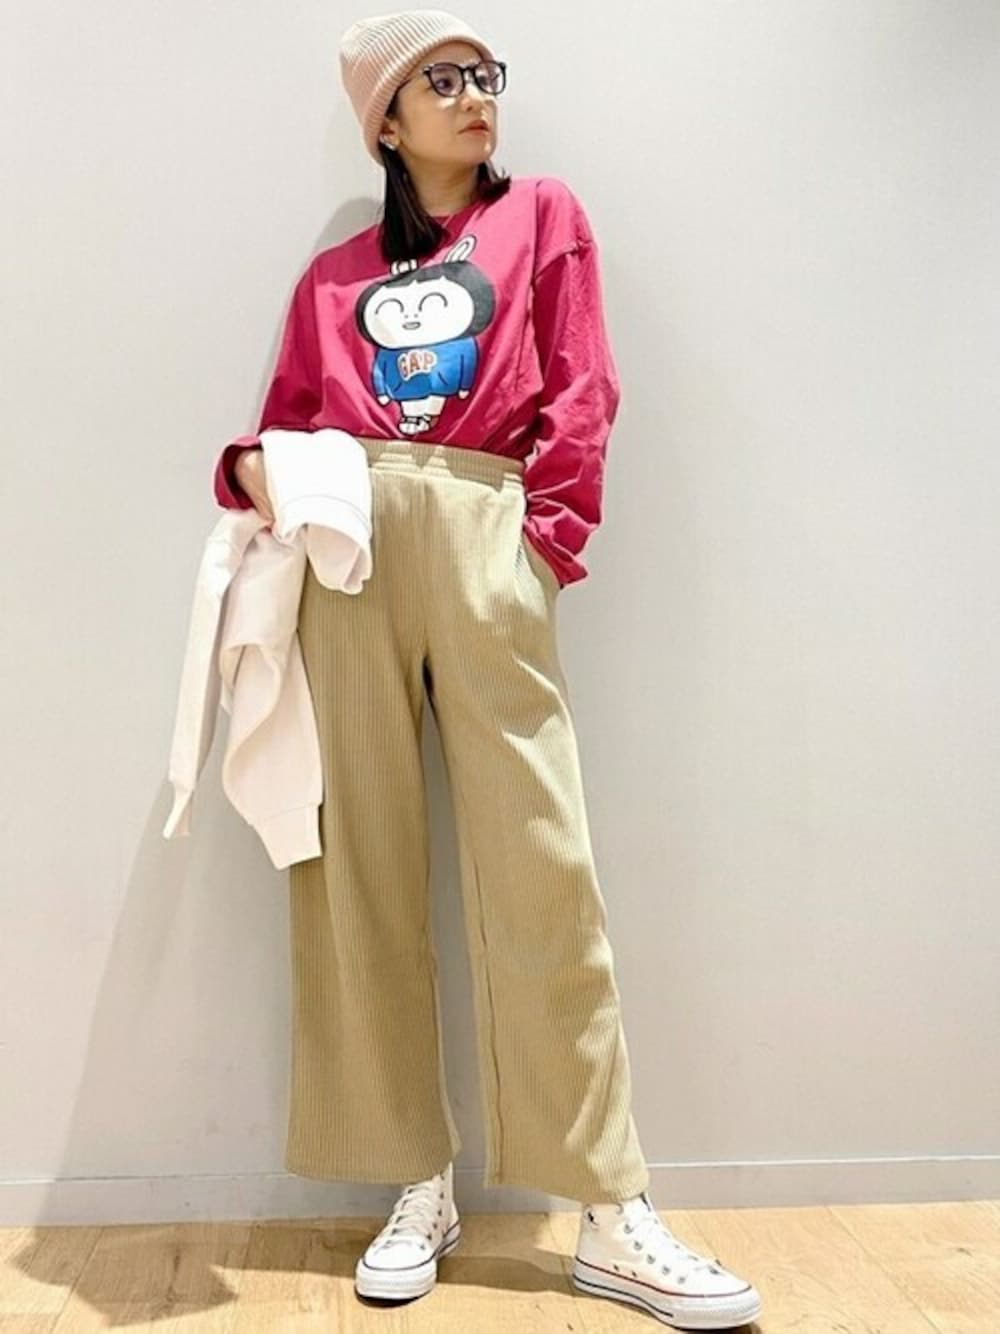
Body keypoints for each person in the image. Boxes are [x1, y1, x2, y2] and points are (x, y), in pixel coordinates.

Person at [212, 9, 762, 1328]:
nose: (474, 96)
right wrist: (246, 468)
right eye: (440, 80)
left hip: (483, 531)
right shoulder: (333, 277)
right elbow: (286, 422)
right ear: (386, 122)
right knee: (361, 868)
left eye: (482, 74)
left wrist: (540, 546)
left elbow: (582, 388)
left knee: (541, 863)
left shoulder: (542, 218)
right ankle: (420, 1180)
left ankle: (608, 1206)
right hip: (348, 555)